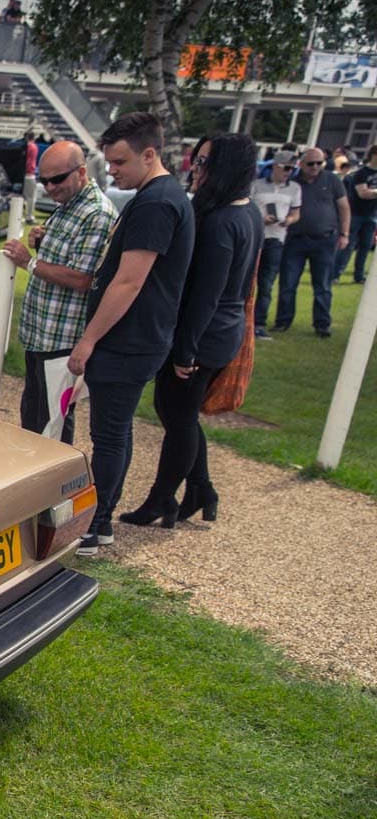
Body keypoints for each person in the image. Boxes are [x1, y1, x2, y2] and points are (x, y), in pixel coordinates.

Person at [68, 111, 196, 555]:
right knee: (115, 432)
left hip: (129, 340)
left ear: (149, 154)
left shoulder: (157, 203)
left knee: (108, 435)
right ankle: (100, 519)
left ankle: (96, 522)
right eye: (109, 162)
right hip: (138, 337)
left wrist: (88, 340)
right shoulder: (158, 196)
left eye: (120, 162)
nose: (113, 171)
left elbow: (129, 281)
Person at [120, 133, 263, 529]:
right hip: (220, 329)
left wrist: (186, 350)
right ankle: (200, 488)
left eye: (203, 163)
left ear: (225, 168)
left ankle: (162, 498)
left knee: (178, 416)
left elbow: (206, 296)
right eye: (195, 160)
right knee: (175, 412)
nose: (195, 170)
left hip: (205, 334)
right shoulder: (246, 210)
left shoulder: (222, 222)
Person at [1, 140, 116, 444]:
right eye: (44, 181)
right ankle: (30, 467)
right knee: (34, 414)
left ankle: (54, 473)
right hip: (42, 332)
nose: (50, 187)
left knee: (53, 424)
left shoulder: (96, 213)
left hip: (62, 339)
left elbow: (82, 278)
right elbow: (66, 257)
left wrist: (28, 261)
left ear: (81, 172)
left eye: (57, 179)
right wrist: (43, 240)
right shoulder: (69, 205)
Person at [273, 147, 350, 337]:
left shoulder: (332, 180)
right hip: (295, 240)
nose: (315, 166)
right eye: (310, 163)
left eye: (319, 163)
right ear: (301, 164)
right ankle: (283, 321)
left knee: (323, 285)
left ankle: (322, 324)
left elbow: (344, 207)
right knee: (288, 283)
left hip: (324, 240)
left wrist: (344, 234)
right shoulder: (292, 181)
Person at [250, 150, 301, 337]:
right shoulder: (256, 185)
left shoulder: (294, 188)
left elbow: (296, 213)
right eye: (286, 167)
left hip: (276, 239)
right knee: (246, 282)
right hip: (255, 238)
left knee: (266, 284)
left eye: (292, 169)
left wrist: (289, 220)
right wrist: (261, 219)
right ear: (275, 166)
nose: (289, 172)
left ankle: (259, 323)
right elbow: (248, 209)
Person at [334, 145, 376, 284]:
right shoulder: (361, 173)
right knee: (347, 246)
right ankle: (335, 275)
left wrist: (372, 192)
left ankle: (359, 276)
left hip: (372, 215)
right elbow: (363, 193)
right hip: (356, 214)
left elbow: (369, 192)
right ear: (373, 155)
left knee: (365, 247)